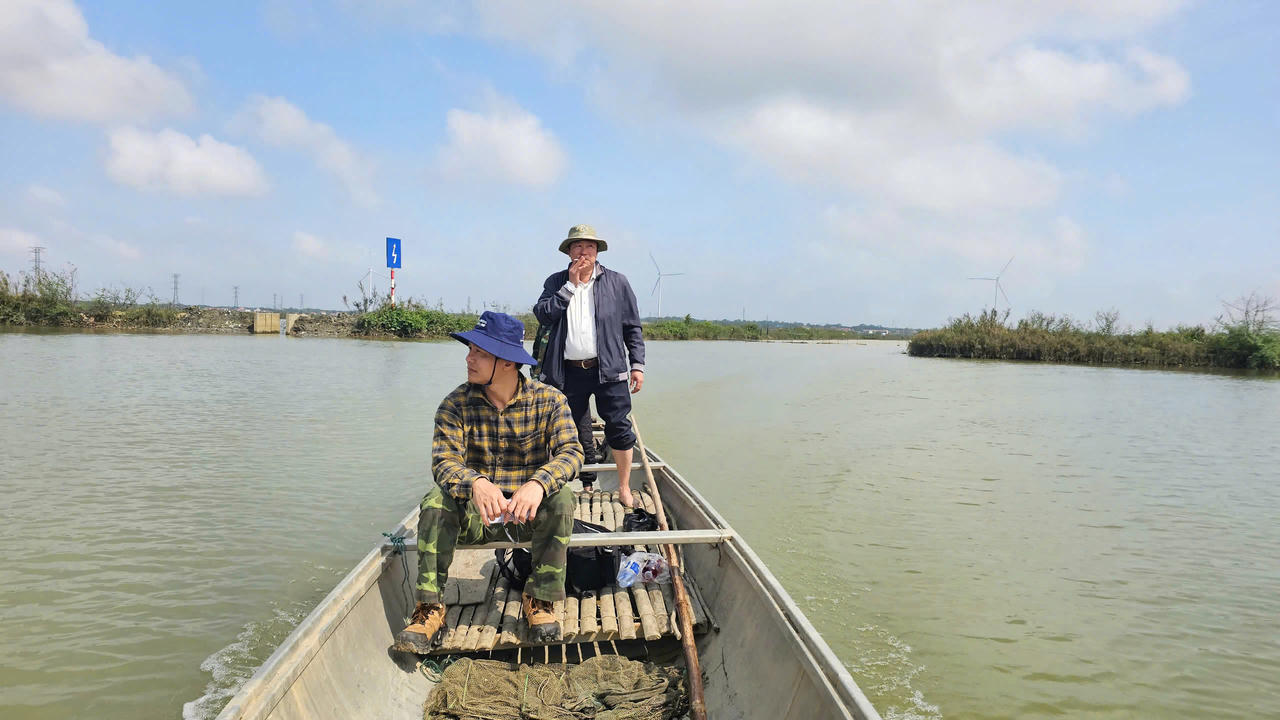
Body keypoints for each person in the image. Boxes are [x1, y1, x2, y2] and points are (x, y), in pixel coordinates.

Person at [393, 311, 584, 653]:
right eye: (470, 350)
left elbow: (572, 452)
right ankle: (430, 607)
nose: (469, 358)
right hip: (475, 519)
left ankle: (539, 597)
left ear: (508, 362)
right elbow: (444, 462)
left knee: (562, 498)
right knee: (435, 502)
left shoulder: (550, 401)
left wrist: (538, 484)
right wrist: (475, 483)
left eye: (480, 352)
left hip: (528, 518)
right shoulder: (455, 405)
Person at [533, 224, 646, 508]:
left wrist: (637, 365)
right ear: (569, 252)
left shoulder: (617, 282)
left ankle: (623, 487)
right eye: (578, 247)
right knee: (565, 429)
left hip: (609, 370)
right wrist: (570, 285)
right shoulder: (556, 281)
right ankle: (567, 483)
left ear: (597, 252)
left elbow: (632, 327)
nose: (584, 252)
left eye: (590, 247)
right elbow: (544, 315)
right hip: (567, 372)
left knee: (619, 427)